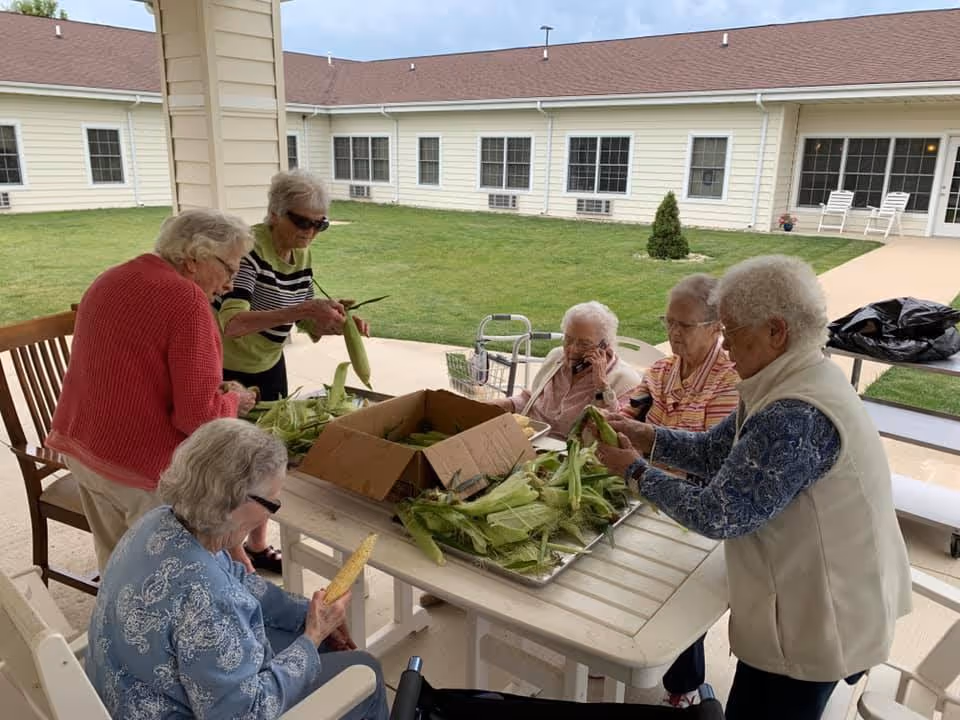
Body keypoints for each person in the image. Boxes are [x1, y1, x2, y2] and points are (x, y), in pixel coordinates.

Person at [596, 255, 912, 720]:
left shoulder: (795, 414)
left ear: (776, 331)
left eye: (734, 333)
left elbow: (719, 514)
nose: (724, 349)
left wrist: (634, 470)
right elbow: (711, 452)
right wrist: (645, 435)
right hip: (802, 600)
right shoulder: (788, 378)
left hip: (823, 611)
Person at [86, 418, 389, 720]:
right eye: (272, 503)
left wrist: (308, 615)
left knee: (316, 646)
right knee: (364, 669)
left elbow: (240, 580)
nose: (270, 513)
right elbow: (244, 714)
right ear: (231, 500)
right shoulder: (210, 600)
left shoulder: (158, 521)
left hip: (126, 685)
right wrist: (311, 640)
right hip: (172, 709)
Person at [47, 209, 258, 572]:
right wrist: (234, 401)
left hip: (85, 452)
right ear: (194, 258)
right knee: (167, 581)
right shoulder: (187, 301)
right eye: (230, 268)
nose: (230, 285)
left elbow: (132, 368)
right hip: (141, 471)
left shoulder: (112, 277)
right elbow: (199, 418)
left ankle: (116, 626)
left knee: (117, 569)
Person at [215, 170, 370, 574]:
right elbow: (231, 322)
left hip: (269, 362)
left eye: (319, 224)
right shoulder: (247, 252)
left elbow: (303, 323)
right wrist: (305, 309)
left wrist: (337, 322)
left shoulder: (302, 254)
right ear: (274, 214)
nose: (310, 232)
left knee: (269, 460)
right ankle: (232, 553)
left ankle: (259, 544)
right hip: (230, 368)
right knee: (234, 466)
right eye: (301, 222)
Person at [623, 274, 739, 709]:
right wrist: (612, 418)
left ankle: (683, 684)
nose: (672, 333)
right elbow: (628, 410)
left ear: (716, 327)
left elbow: (709, 457)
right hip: (645, 490)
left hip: (695, 506)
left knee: (681, 590)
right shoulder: (661, 370)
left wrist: (643, 450)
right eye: (668, 322)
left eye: (683, 325)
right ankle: (616, 647)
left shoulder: (730, 382)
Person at [492, 300, 643, 436]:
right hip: (533, 443)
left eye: (584, 344)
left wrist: (602, 386)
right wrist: (499, 405)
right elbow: (535, 401)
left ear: (605, 346)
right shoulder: (556, 357)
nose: (573, 350)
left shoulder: (626, 381)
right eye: (568, 340)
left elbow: (616, 433)